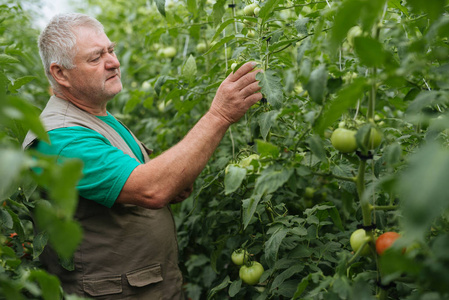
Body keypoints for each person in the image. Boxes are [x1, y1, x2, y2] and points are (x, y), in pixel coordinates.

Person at [22, 13, 262, 299]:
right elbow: (151, 189)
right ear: (60, 74)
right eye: (95, 58)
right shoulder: (58, 137)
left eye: (111, 50)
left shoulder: (96, 116)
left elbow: (138, 181)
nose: (113, 62)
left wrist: (172, 179)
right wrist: (220, 115)